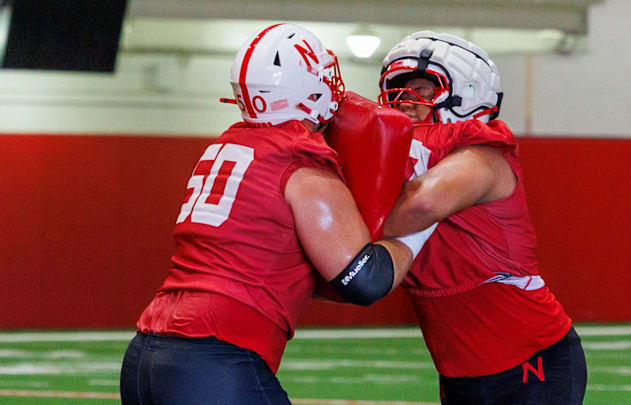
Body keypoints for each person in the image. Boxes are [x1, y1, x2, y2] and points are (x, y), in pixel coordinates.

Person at [119, 23, 434, 405]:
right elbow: (363, 278)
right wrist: (423, 214)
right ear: (310, 90)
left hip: (146, 356)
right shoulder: (300, 162)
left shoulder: (227, 145)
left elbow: (305, 274)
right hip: (213, 357)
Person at [378, 31, 587, 404]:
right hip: (461, 370)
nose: (405, 104)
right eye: (398, 92)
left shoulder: (483, 154)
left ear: (467, 92)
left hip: (528, 358)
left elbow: (420, 206)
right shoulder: (406, 162)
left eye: (424, 91)